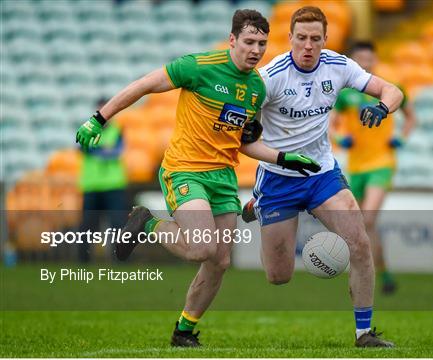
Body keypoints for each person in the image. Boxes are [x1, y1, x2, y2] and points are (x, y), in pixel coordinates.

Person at [75, 9, 320, 348]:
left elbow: (244, 141)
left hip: (223, 177)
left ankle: (184, 331)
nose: (255, 50)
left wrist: (283, 158)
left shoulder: (255, 88)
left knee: (220, 260)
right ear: (232, 39)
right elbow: (144, 85)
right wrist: (99, 118)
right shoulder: (199, 67)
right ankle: (145, 223)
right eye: (249, 42)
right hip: (184, 169)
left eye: (262, 44)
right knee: (203, 247)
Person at [241, 6, 403, 347]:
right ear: (290, 39)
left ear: (326, 40)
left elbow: (394, 91)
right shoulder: (270, 77)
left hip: (321, 174)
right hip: (278, 177)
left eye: (316, 38)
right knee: (278, 276)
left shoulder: (339, 65)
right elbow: (242, 132)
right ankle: (260, 204)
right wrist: (250, 128)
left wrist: (382, 107)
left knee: (359, 243)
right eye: (301, 38)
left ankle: (364, 333)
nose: (308, 46)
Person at [330, 41, 416, 294]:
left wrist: (402, 138)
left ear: (375, 60)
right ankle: (384, 273)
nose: (365, 63)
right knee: (362, 225)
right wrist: (339, 139)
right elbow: (331, 125)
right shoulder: (346, 94)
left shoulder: (389, 89)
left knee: (368, 219)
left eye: (369, 58)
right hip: (356, 166)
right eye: (360, 59)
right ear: (354, 62)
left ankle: (371, 273)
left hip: (382, 163)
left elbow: (411, 116)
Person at [77, 97, 128, 263]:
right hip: (91, 185)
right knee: (88, 227)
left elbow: (117, 151)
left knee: (117, 225)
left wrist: (97, 150)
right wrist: (104, 150)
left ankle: (120, 260)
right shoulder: (88, 128)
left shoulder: (118, 130)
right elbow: (82, 148)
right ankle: (83, 262)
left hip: (113, 185)